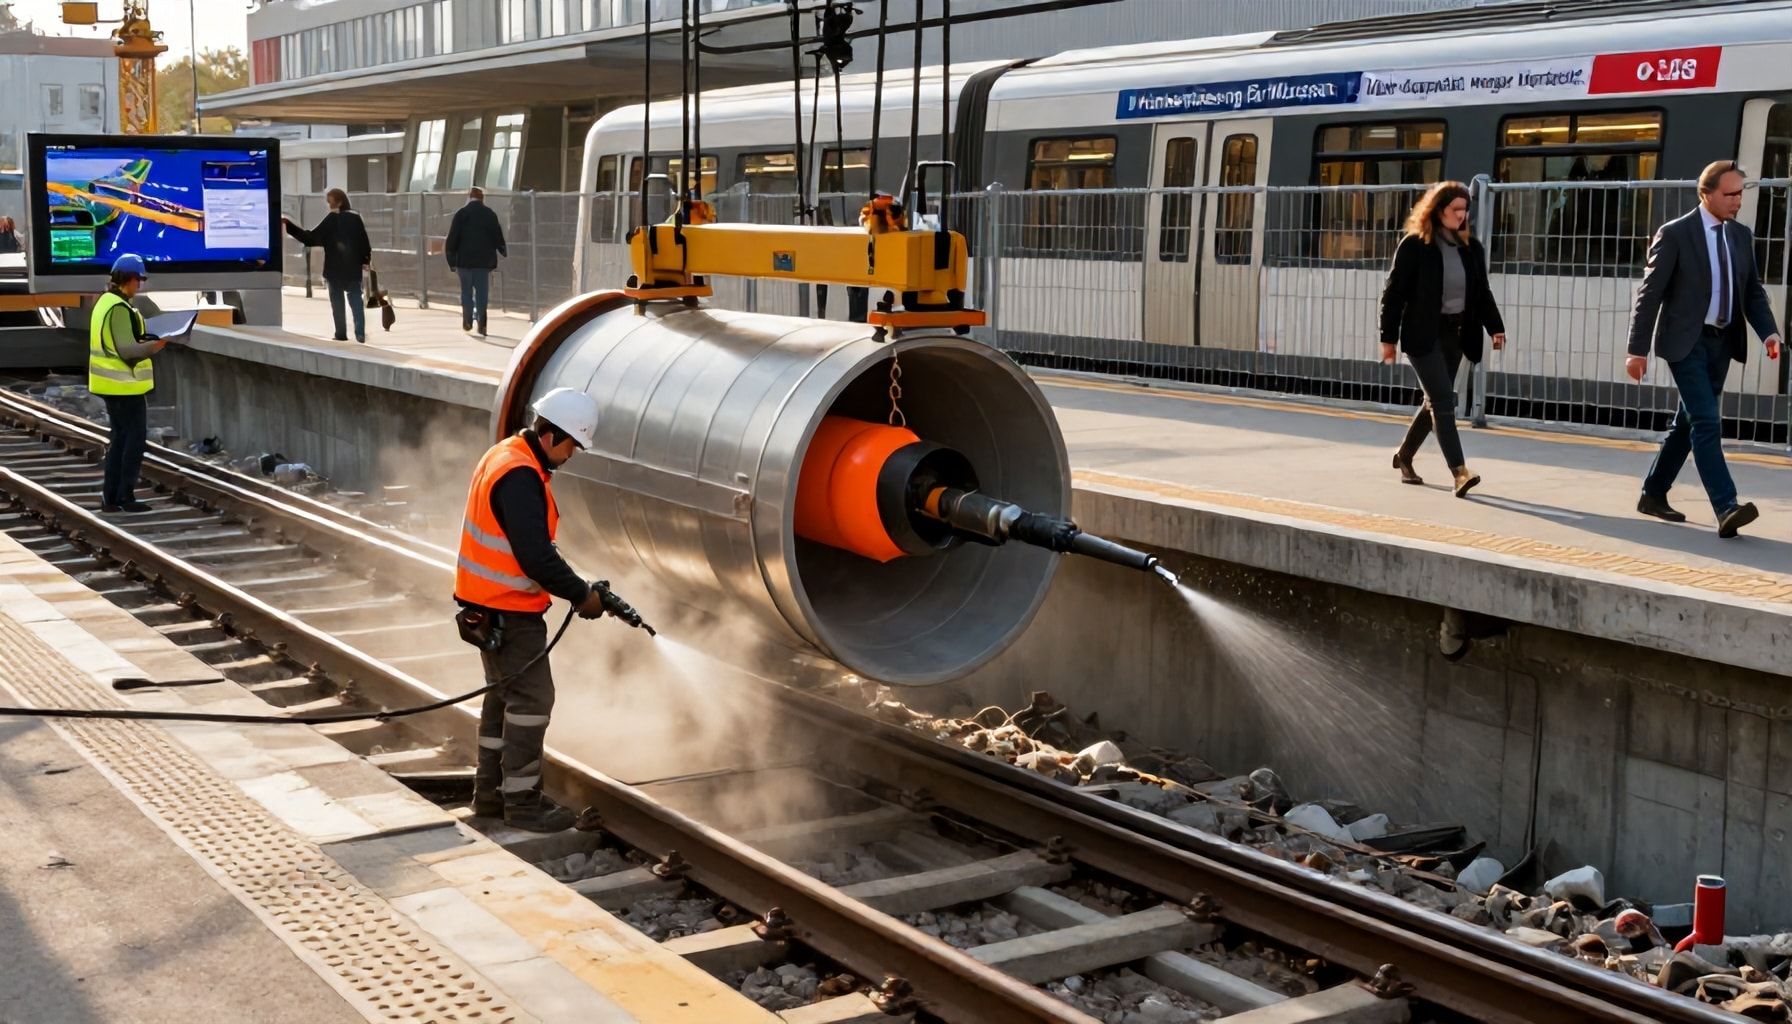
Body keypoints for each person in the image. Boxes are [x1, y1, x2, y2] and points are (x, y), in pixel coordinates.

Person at [456, 387, 611, 833]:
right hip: (510, 612)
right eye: (572, 445)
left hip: (485, 607)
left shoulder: (505, 455)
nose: (571, 455)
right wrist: (581, 595)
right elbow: (535, 557)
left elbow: (530, 546)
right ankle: (522, 803)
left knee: (502, 697)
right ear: (550, 435)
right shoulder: (521, 475)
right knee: (532, 700)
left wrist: (577, 583)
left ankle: (489, 796)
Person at [1627, 160, 1781, 538]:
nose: (1737, 201)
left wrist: (1769, 333)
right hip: (1686, 343)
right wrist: (1637, 350)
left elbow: (1752, 292)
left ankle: (1653, 493)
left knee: (1689, 421)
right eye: (1730, 194)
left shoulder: (1740, 235)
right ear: (1706, 193)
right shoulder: (1676, 233)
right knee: (1707, 421)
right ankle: (1726, 506)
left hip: (1722, 343)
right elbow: (1650, 294)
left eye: (1740, 193)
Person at [1379, 181, 1508, 497]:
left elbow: (1481, 292)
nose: (1462, 216)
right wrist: (1388, 338)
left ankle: (1404, 456)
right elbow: (1394, 294)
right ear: (1438, 210)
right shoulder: (1414, 245)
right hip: (1422, 333)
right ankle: (1460, 473)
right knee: (1442, 399)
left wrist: (1495, 327)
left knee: (1436, 401)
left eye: (1465, 210)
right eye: (1456, 209)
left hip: (1455, 333)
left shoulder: (1470, 248)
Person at [88, 253, 168, 513]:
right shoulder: (119, 309)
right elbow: (127, 349)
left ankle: (111, 498)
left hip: (112, 386)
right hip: (124, 387)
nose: (139, 285)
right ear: (129, 279)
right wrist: (157, 345)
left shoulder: (105, 302)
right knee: (132, 442)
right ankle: (124, 497)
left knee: (120, 440)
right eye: (138, 280)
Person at [281, 188, 372, 343]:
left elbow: (310, 238)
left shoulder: (331, 220)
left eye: (330, 202)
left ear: (339, 202)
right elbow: (364, 243)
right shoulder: (355, 219)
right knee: (356, 299)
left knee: (337, 303)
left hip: (334, 269)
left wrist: (289, 226)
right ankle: (360, 333)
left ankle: (341, 334)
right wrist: (365, 261)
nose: (329, 206)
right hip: (353, 268)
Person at [445, 187, 507, 337]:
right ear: (482, 198)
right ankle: (482, 323)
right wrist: (502, 249)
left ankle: (467, 320)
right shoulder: (489, 214)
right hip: (483, 262)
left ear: (469, 197)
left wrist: (451, 260)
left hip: (464, 262)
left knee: (466, 292)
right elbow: (497, 235)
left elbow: (452, 238)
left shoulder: (461, 214)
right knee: (482, 293)